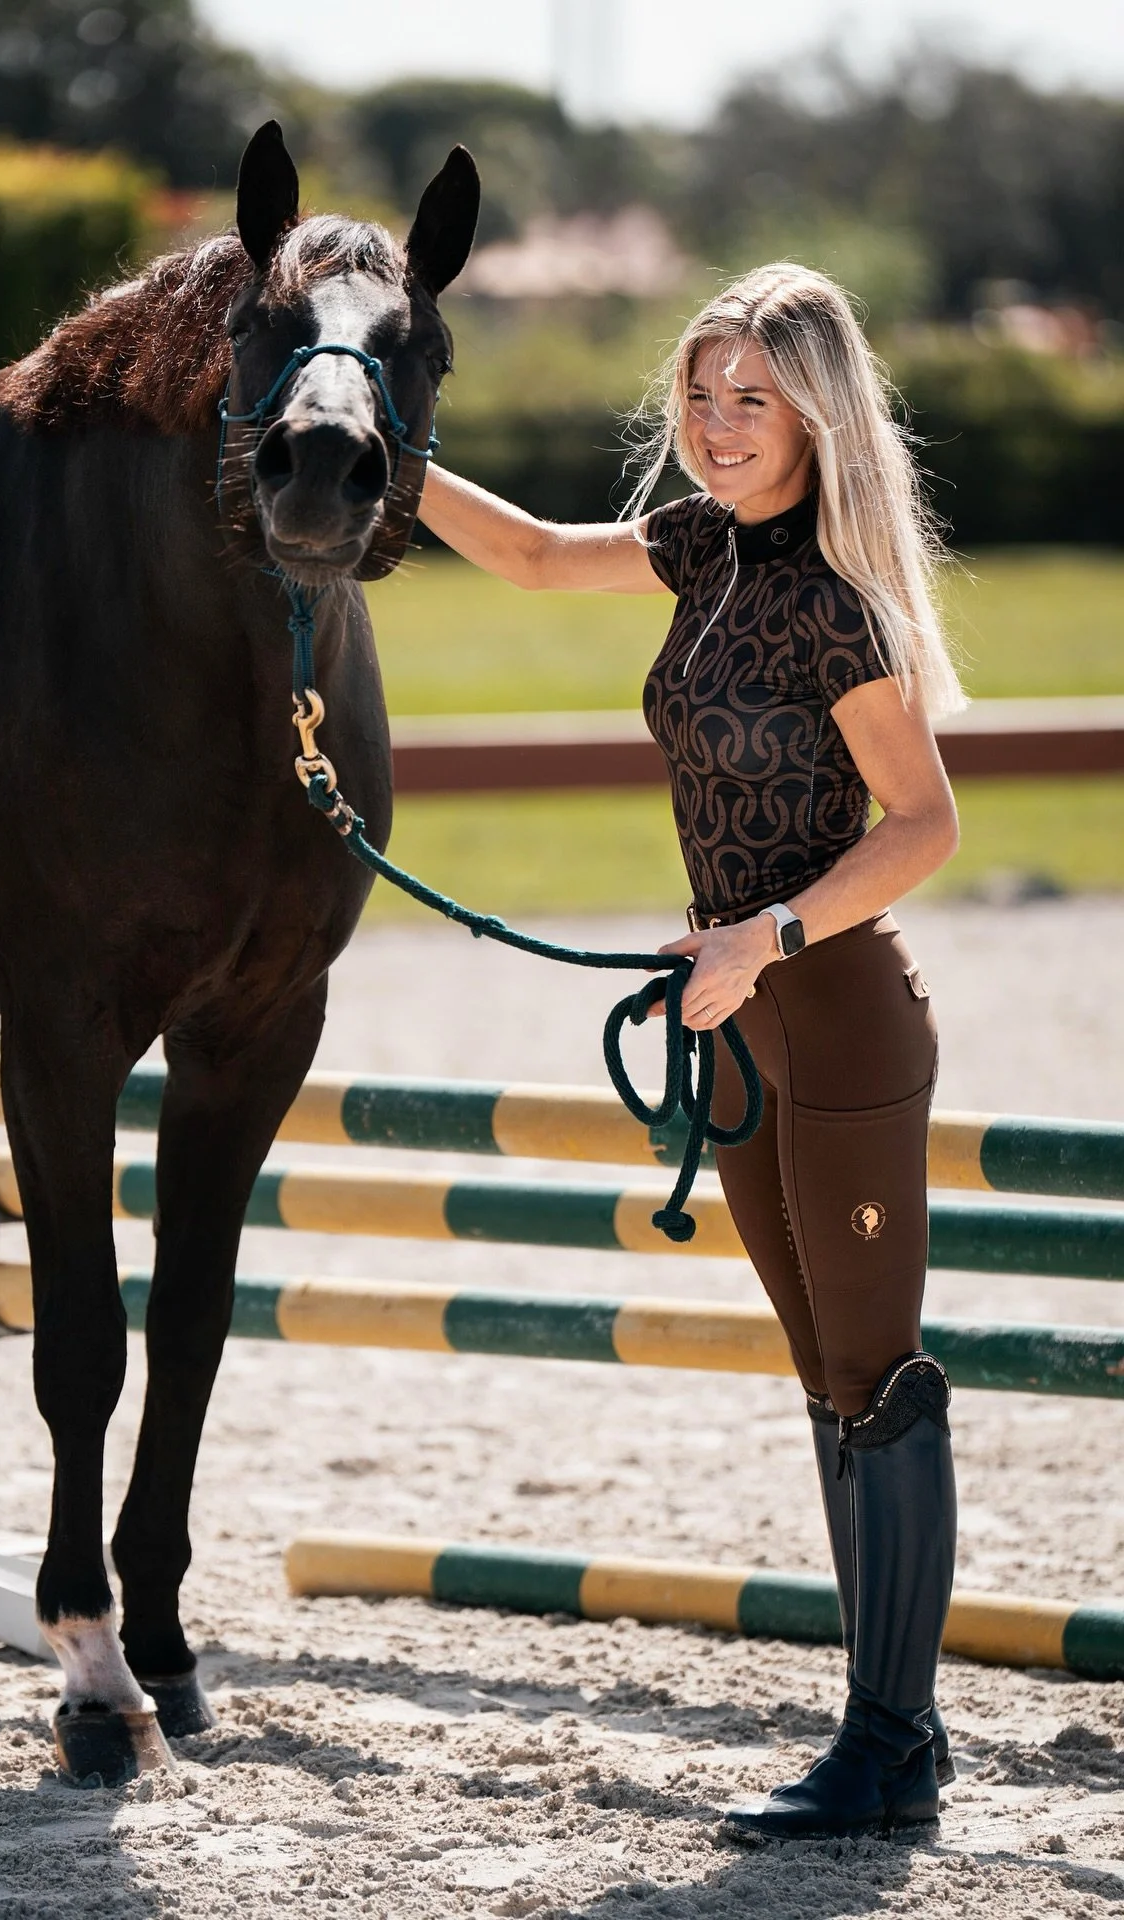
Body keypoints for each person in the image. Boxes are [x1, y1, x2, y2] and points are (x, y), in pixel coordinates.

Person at [415, 262, 965, 1840]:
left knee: (876, 1375)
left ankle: (891, 1741)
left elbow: (925, 826)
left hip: (836, 1015)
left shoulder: (828, 601)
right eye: (702, 396)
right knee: (824, 1377)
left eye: (754, 401)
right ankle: (887, 1736)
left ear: (817, 416)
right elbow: (524, 557)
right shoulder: (699, 551)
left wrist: (766, 937)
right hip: (739, 1025)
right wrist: (384, 438)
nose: (720, 428)